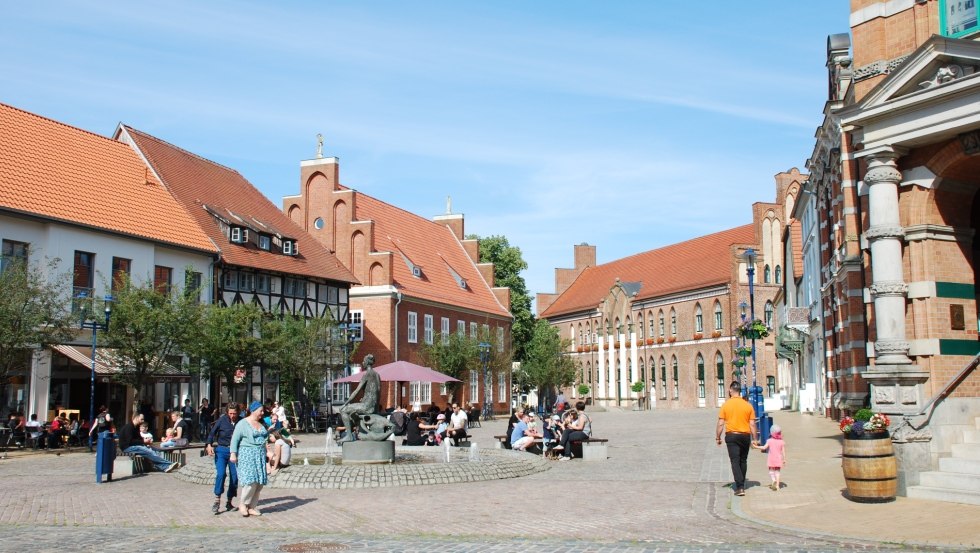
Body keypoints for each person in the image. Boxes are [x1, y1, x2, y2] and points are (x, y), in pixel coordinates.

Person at [716, 381, 758, 497]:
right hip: (745, 436)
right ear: (739, 391)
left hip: (732, 436)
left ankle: (740, 487)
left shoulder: (726, 405)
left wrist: (718, 437)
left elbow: (720, 423)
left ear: (730, 390)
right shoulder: (747, 405)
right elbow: (752, 424)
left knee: (735, 461)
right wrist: (755, 439)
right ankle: (742, 483)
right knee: (743, 460)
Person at [230, 401, 268, 517]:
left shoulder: (261, 424)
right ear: (253, 410)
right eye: (260, 411)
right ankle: (243, 504)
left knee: (259, 482)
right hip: (247, 454)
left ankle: (252, 506)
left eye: (262, 411)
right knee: (250, 481)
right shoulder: (242, 424)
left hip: (259, 455)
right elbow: (235, 439)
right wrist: (233, 453)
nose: (262, 413)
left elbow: (265, 438)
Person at [205, 402, 239, 515]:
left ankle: (229, 501)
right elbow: (212, 433)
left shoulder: (241, 421)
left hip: (234, 452)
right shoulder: (222, 420)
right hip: (222, 450)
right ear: (227, 412)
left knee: (235, 477)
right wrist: (209, 445)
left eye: (234, 413)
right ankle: (217, 500)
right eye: (230, 413)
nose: (232, 415)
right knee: (221, 474)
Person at [339, 354, 381, 442]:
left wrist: (345, 404)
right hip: (373, 407)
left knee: (344, 410)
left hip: (367, 406)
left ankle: (349, 435)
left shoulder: (367, 374)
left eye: (363, 361)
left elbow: (356, 391)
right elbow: (378, 391)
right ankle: (360, 432)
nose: (362, 363)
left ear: (367, 362)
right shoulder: (377, 375)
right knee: (354, 413)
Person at [752, 423, 786, 491]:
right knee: (777, 472)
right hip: (778, 459)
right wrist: (784, 459)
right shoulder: (782, 442)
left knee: (771, 471)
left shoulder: (769, 441)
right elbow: (783, 451)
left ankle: (773, 480)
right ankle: (777, 486)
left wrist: (756, 447)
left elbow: (764, 447)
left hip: (771, 458)